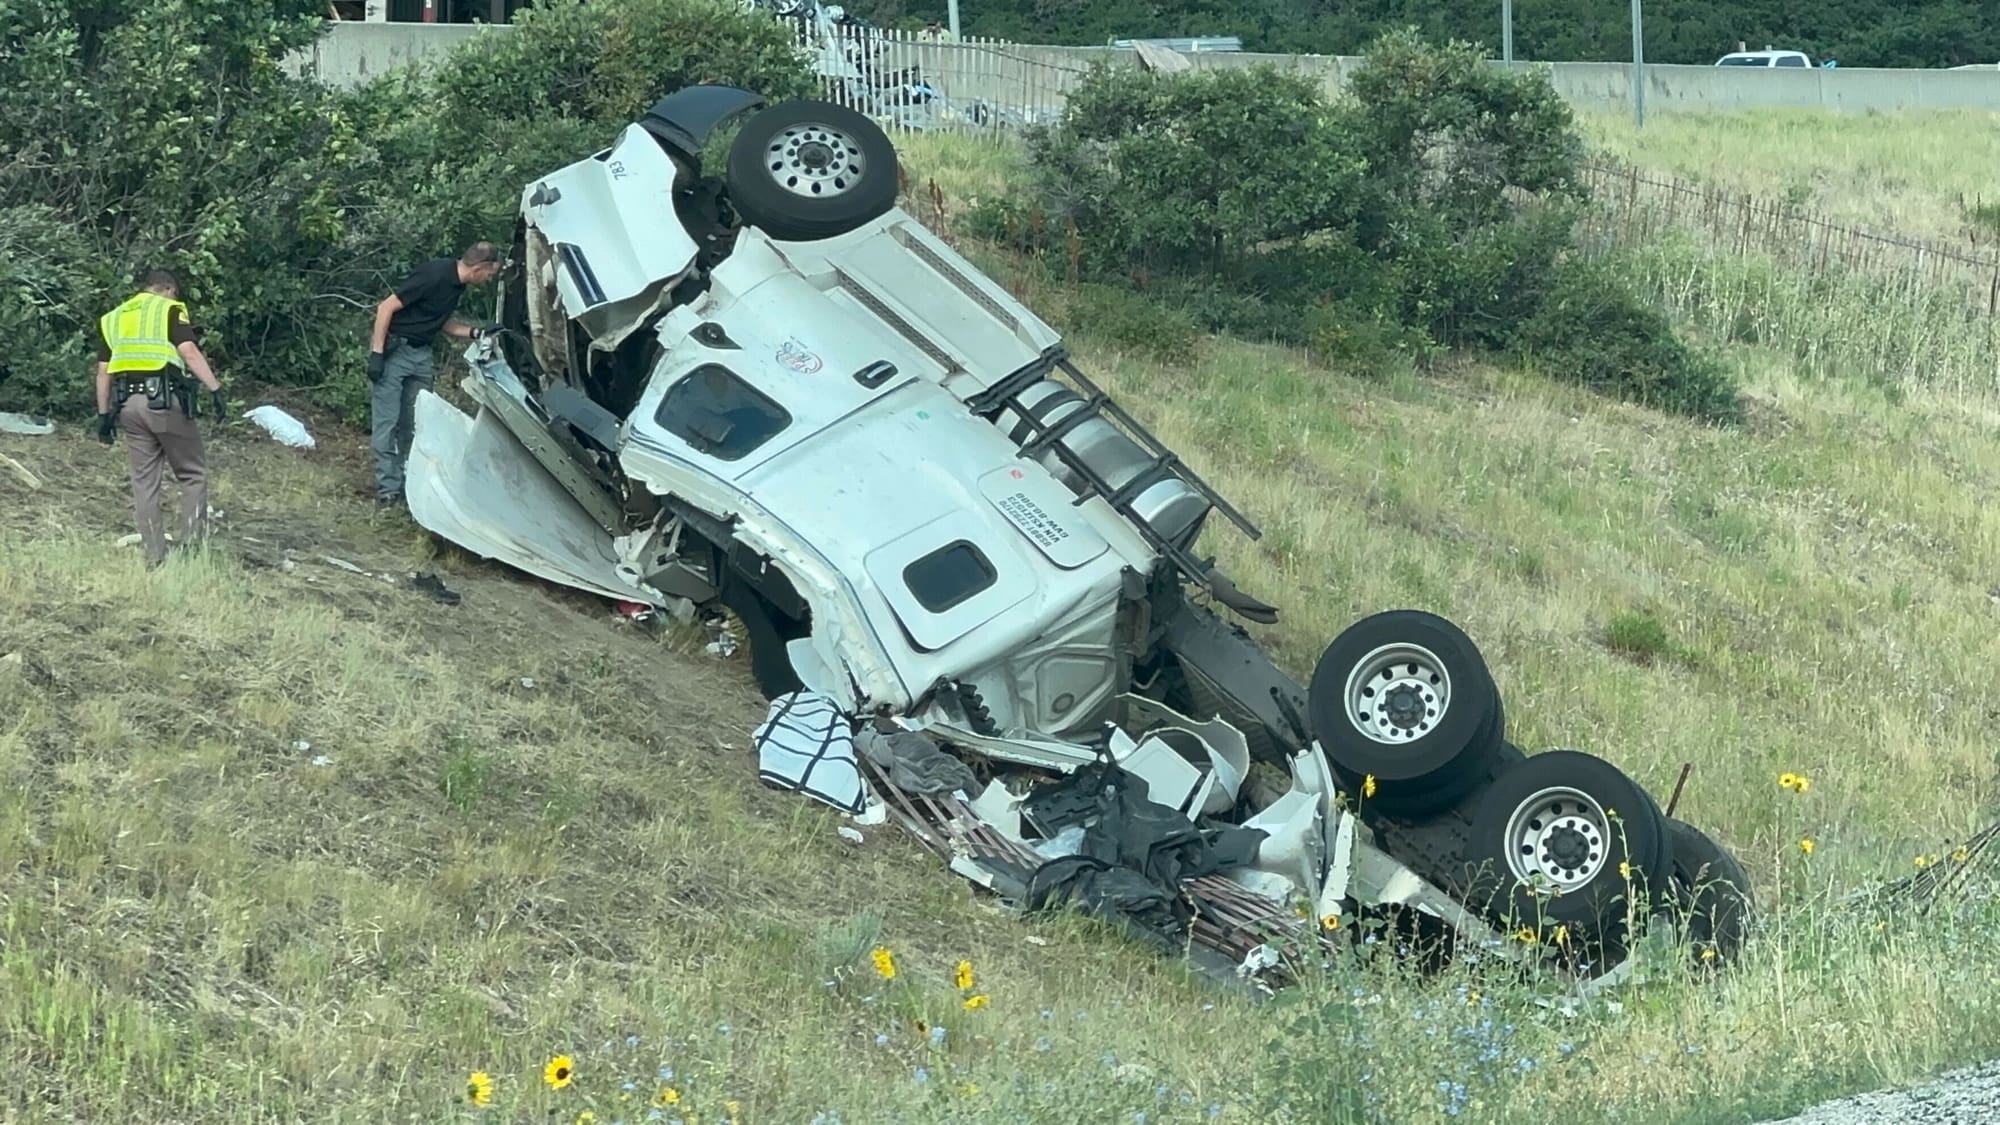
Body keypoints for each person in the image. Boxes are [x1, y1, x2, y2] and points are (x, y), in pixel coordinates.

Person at [94, 270, 225, 569]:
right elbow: (189, 352)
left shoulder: (113, 318)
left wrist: (103, 416)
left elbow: (104, 373)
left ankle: (155, 557)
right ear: (167, 288)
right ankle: (192, 550)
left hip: (128, 407)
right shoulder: (169, 309)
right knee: (193, 473)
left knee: (144, 482)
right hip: (164, 403)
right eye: (175, 294)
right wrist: (215, 389)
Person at [367, 241, 504, 504]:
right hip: (396, 350)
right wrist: (377, 353)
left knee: (417, 419)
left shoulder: (457, 286)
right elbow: (387, 307)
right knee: (387, 421)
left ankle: (410, 483)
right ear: (479, 267)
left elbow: (442, 323)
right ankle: (388, 490)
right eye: (490, 274)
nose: (489, 279)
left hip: (421, 355)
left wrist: (478, 332)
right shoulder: (434, 274)